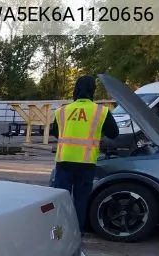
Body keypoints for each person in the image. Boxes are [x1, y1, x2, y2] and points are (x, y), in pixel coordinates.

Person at [50, 75, 119, 232]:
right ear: (92, 90)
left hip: (64, 160)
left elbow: (56, 132)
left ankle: (59, 230)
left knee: (61, 198)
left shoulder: (62, 111)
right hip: (86, 162)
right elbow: (114, 133)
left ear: (75, 89)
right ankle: (77, 231)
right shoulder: (101, 112)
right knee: (81, 199)